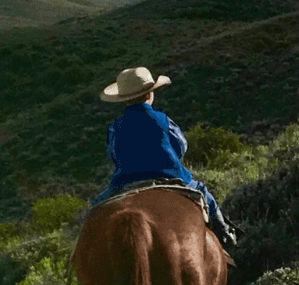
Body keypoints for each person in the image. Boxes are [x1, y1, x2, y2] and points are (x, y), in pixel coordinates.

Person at [90, 67, 239, 256]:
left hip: (126, 182)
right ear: (150, 93)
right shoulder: (162, 119)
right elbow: (181, 146)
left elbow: (114, 154)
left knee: (96, 210)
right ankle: (227, 238)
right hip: (171, 177)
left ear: (125, 99)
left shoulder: (115, 127)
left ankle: (79, 258)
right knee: (203, 193)